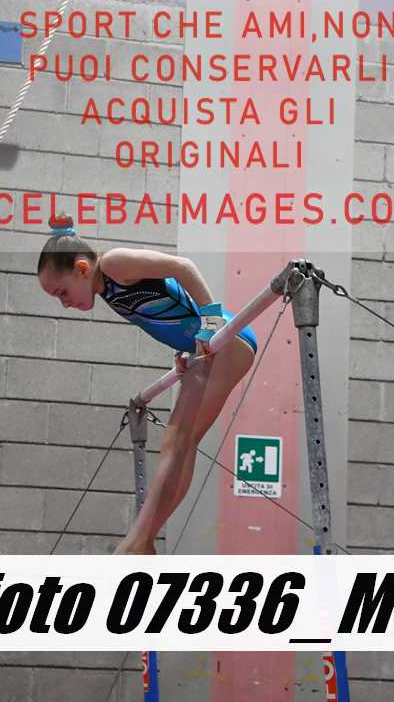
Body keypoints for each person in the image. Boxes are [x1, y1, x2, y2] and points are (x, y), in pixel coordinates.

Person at [37, 215, 258, 554]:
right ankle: (143, 540)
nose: (64, 303)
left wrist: (211, 326)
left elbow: (183, 268)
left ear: (82, 268)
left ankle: (138, 541)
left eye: (62, 292)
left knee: (180, 441)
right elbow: (170, 308)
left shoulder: (113, 265)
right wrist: (185, 349)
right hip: (209, 348)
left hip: (228, 339)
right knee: (178, 443)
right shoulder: (107, 290)